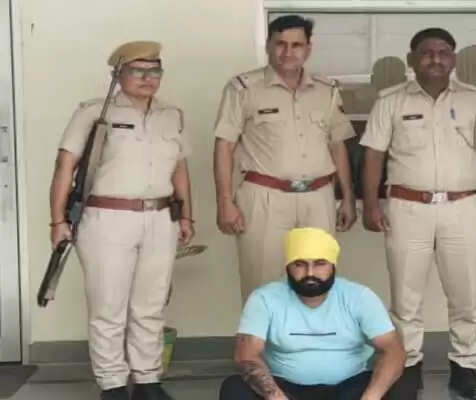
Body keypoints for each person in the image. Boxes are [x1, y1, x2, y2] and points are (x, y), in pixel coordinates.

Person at [360, 28, 476, 399]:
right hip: (407, 207)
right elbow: (374, 155)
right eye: (427, 52)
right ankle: (407, 367)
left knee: (465, 293)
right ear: (412, 60)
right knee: (405, 296)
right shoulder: (390, 100)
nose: (436, 59)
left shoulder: (475, 99)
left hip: (463, 207)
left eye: (444, 52)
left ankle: (465, 366)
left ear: (453, 59)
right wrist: (371, 203)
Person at [49, 41, 194, 400]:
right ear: (118, 74)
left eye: (155, 70)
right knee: (108, 306)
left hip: (160, 216)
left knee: (150, 305)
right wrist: (57, 221)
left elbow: (180, 169)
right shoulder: (95, 112)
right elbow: (65, 166)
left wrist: (187, 215)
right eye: (138, 71)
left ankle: (147, 380)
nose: (148, 78)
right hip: (107, 218)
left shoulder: (172, 115)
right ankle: (112, 384)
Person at [213, 15, 357, 301]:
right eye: (280, 44)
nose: (288, 52)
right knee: (263, 283)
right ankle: (264, 333)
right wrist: (225, 201)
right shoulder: (243, 88)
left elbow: (337, 146)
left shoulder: (326, 90)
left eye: (296, 45)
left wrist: (349, 198)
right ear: (268, 45)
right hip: (265, 197)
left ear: (308, 49)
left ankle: (312, 332)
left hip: (318, 198)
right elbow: (224, 146)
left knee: (318, 282)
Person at [219, 227, 406, 400]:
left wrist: (371, 397)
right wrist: (275, 396)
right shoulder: (264, 298)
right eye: (300, 264)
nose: (310, 273)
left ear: (333, 266)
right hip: (285, 389)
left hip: (350, 387)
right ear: (288, 267)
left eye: (319, 264)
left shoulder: (360, 296)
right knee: (235, 388)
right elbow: (246, 356)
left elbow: (393, 350)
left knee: (397, 385)